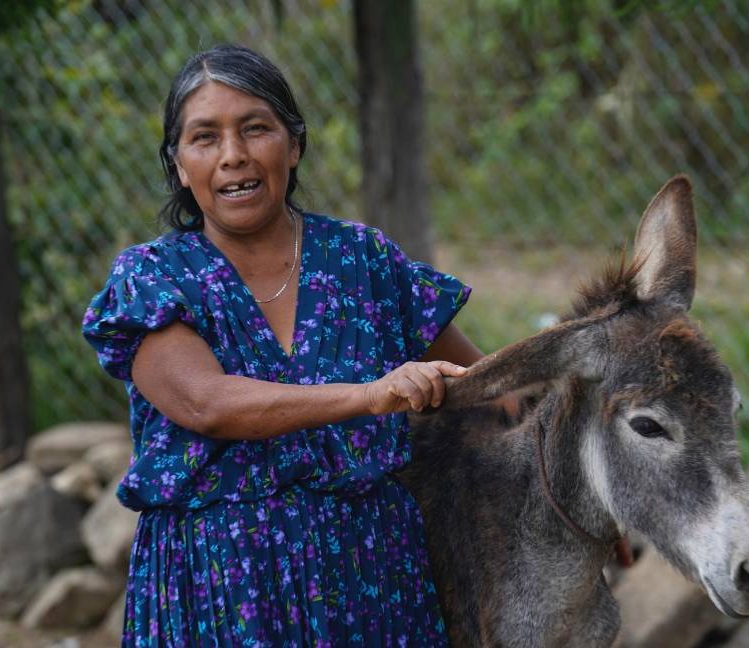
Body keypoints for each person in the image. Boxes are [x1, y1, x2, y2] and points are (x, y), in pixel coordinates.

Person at [82, 44, 482, 647]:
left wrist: (585, 494)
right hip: (218, 595)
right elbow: (206, 404)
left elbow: (486, 389)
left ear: (293, 146)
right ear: (179, 165)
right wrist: (370, 396)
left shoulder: (362, 260)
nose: (233, 156)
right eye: (205, 138)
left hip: (370, 584)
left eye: (255, 129)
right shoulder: (151, 279)